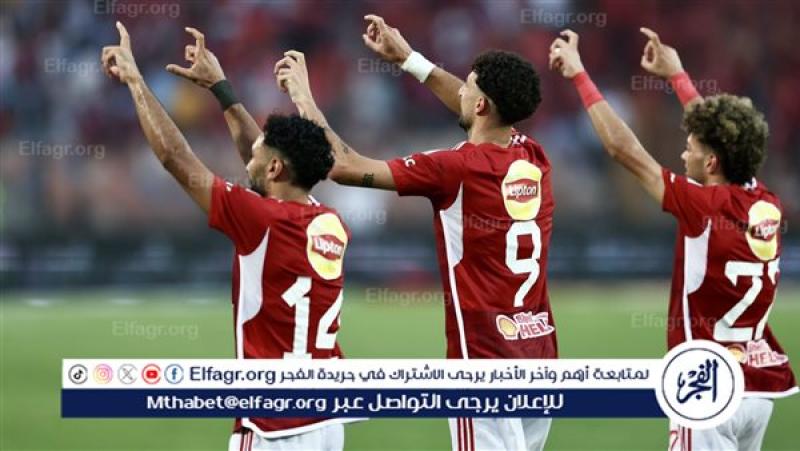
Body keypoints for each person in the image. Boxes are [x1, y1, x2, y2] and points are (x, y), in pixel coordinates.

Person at [271, 14, 556, 451]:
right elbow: (475, 105)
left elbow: (343, 166)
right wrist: (408, 59)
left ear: (481, 105)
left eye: (469, 87)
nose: (460, 91)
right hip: (540, 358)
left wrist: (304, 98)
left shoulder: (454, 168)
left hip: (483, 363)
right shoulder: (533, 156)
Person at [102, 22, 357, 451]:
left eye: (257, 156)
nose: (247, 159)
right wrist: (221, 90)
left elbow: (176, 158)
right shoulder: (330, 222)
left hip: (273, 424)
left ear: (275, 169)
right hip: (327, 420)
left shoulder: (261, 220)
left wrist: (135, 80)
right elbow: (265, 159)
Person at [548, 27, 797, 451]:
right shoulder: (766, 203)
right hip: (759, 386)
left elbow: (624, 151)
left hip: (706, 384)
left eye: (690, 146)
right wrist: (677, 77)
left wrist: (579, 75)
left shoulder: (701, 206)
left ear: (712, 161)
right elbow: (726, 138)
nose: (683, 153)